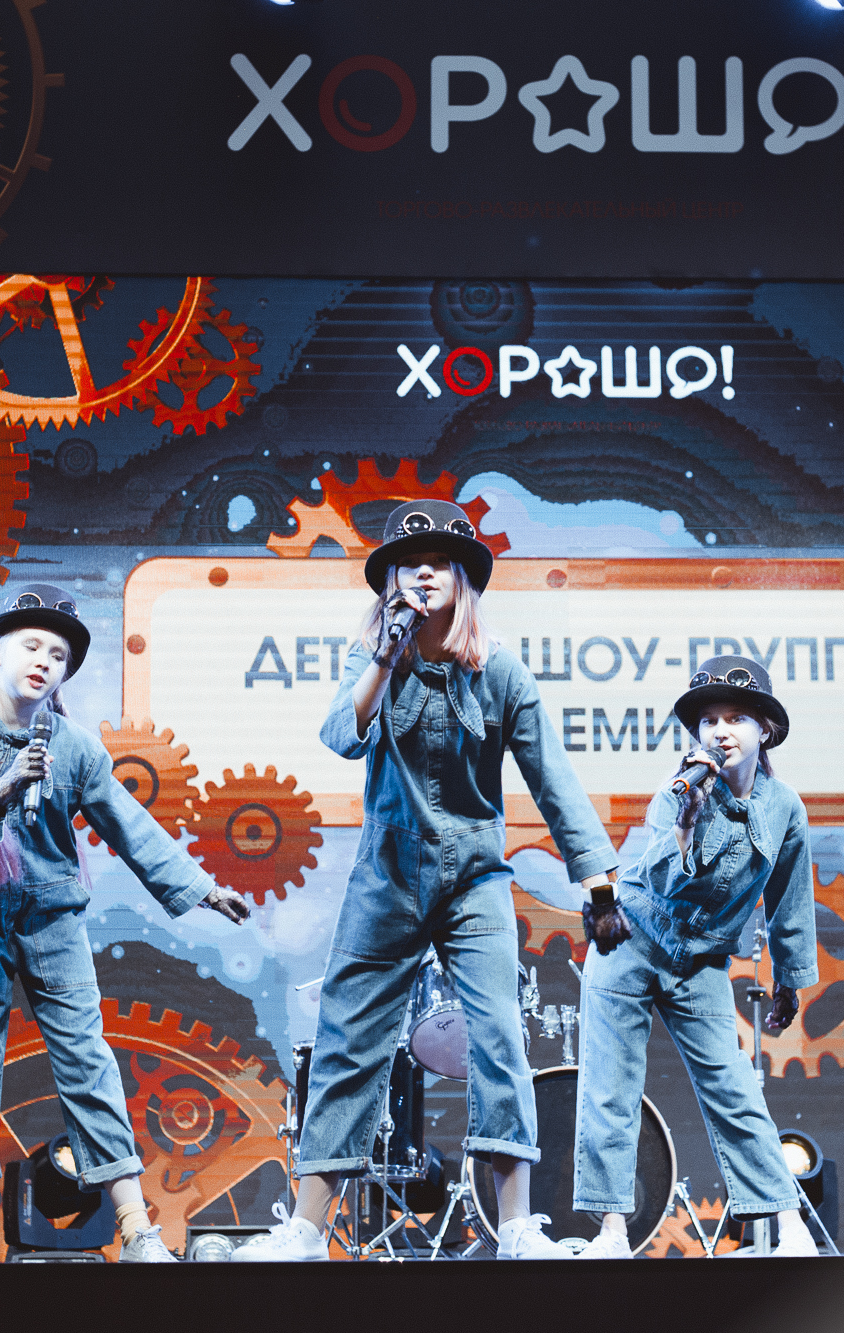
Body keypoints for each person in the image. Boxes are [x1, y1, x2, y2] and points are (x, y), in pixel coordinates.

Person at [232, 500, 620, 1261]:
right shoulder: (374, 656)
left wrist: (598, 881)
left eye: (440, 562)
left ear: (463, 579)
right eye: (410, 565)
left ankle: (518, 1227)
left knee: (500, 1037)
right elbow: (342, 736)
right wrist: (385, 655)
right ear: (391, 585)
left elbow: (552, 776)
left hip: (476, 876)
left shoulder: (499, 669)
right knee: (347, 1037)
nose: (424, 573)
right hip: (387, 873)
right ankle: (305, 1229)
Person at [0, 584, 255, 1264]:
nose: (45, 661)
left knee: (87, 1062)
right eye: (32, 646)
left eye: (59, 655)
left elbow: (130, 825)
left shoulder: (72, 747)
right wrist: (4, 785)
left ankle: (137, 1229)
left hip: (52, 921)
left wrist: (202, 888)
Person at [571, 655, 820, 1259]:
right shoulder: (678, 792)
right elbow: (660, 876)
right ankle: (610, 1233)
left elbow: (790, 899)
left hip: (700, 962)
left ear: (765, 729)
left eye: (736, 718)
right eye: (709, 721)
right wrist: (686, 822)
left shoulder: (785, 807)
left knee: (735, 1089)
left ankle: (790, 1227)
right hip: (631, 940)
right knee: (609, 1088)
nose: (720, 731)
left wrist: (790, 979)